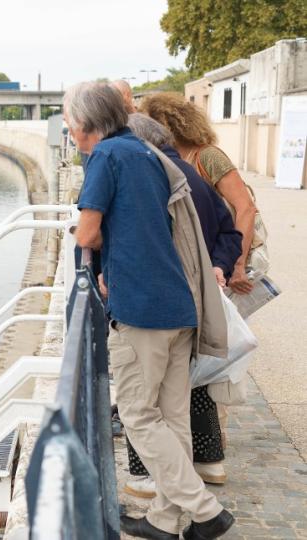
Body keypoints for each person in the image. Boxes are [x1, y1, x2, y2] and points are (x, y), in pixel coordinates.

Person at [67, 81, 233, 539]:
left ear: (84, 124)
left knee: (139, 415)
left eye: (68, 119)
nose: (67, 127)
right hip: (179, 303)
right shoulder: (147, 152)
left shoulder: (105, 156)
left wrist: (103, 252)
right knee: (172, 417)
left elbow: (86, 233)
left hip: (141, 310)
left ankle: (205, 511)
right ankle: (165, 520)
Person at [122, 113, 243, 498]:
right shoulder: (193, 177)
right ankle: (209, 463)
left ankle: (153, 479)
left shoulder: (149, 177)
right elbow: (230, 229)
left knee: (147, 400)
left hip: (165, 299)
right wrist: (220, 268)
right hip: (199, 297)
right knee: (195, 386)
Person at [138, 92, 260, 295]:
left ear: (165, 125)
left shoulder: (209, 156)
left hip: (224, 260)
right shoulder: (172, 158)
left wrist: (238, 266)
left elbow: (246, 208)